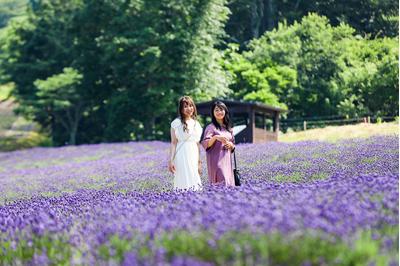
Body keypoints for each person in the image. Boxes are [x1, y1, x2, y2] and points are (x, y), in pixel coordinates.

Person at [168, 96, 203, 190]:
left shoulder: (197, 124)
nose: (189, 108)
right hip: (181, 154)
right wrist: (171, 160)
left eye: (191, 105)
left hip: (193, 154)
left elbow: (197, 144)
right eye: (186, 106)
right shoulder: (176, 123)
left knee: (194, 178)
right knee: (182, 178)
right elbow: (173, 143)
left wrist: (199, 162)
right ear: (181, 109)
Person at [201, 101, 235, 186]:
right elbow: (206, 144)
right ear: (213, 113)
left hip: (227, 161)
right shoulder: (211, 128)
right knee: (221, 184)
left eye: (221, 109)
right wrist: (216, 137)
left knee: (228, 183)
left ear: (225, 111)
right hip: (216, 162)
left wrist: (231, 145)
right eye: (216, 110)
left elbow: (233, 144)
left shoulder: (229, 129)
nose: (219, 112)